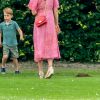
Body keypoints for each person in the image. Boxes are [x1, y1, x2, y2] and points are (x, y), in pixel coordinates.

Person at [28, 0, 60, 79]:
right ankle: (50, 67)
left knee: (39, 44)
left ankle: (40, 71)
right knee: (50, 43)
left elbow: (33, 12)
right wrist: (56, 24)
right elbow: (55, 10)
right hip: (50, 20)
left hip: (40, 21)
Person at [0, 7, 24, 74]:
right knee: (5, 56)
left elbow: (19, 30)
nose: (6, 17)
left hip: (13, 44)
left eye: (7, 15)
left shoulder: (14, 23)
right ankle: (3, 67)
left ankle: (17, 70)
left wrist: (21, 36)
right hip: (5, 43)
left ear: (11, 16)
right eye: (5, 15)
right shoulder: (1, 24)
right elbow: (0, 33)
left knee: (14, 58)